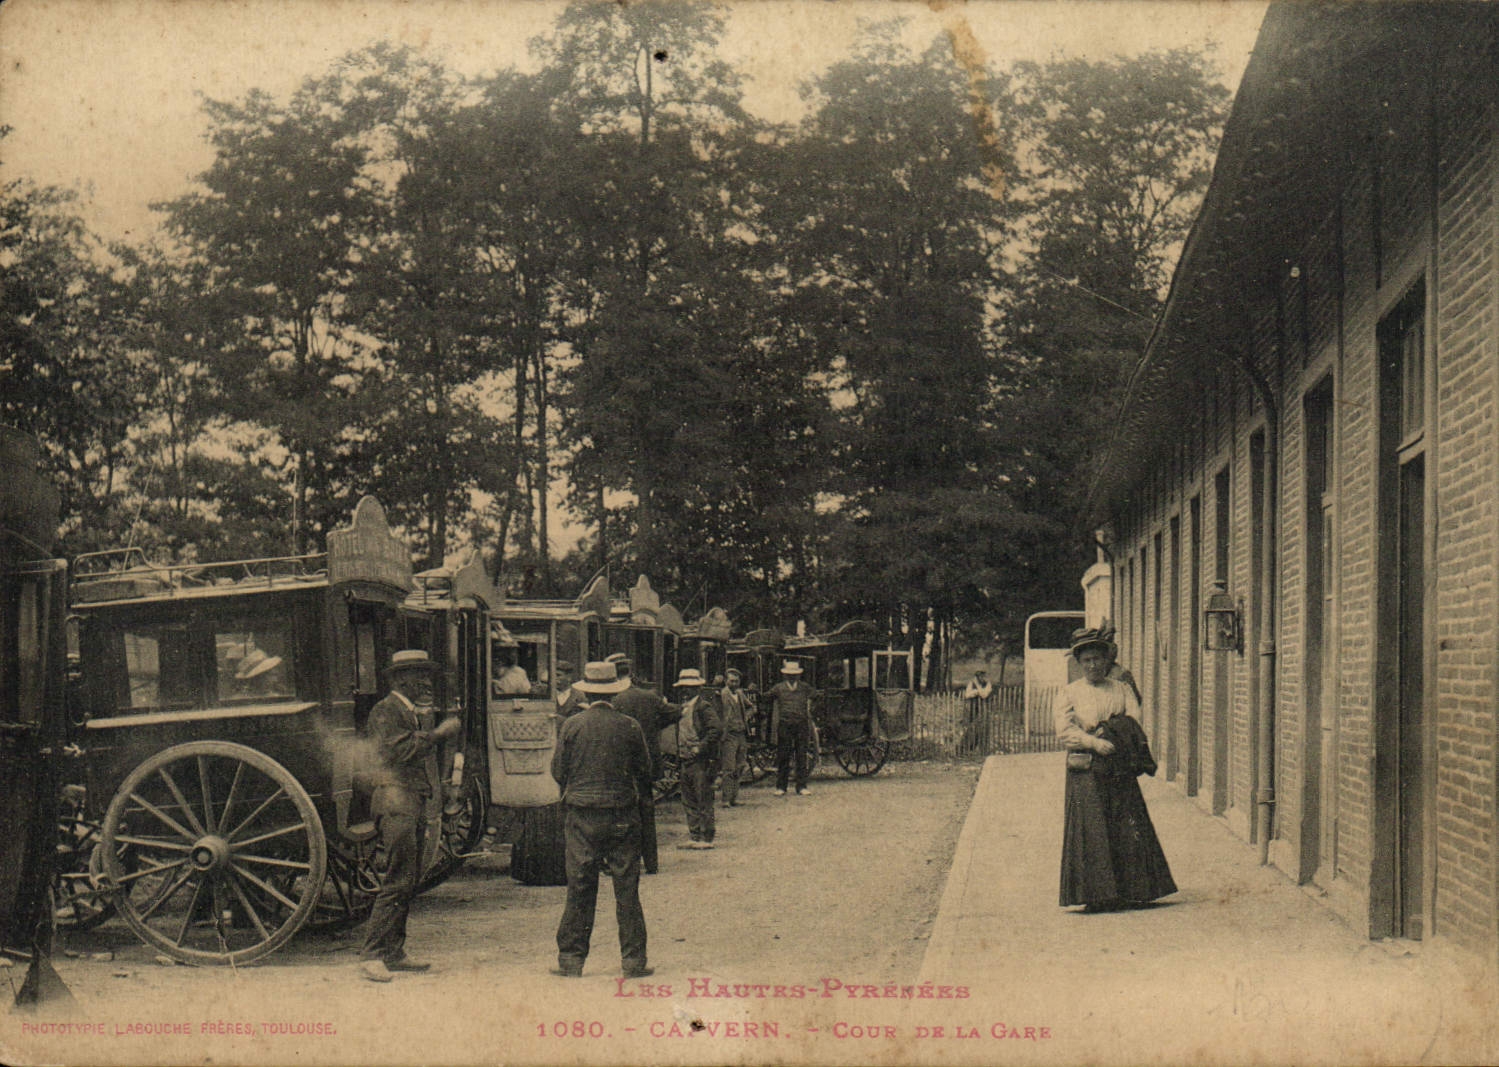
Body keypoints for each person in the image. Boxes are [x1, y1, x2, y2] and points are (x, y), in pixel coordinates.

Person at [1056, 627, 1176, 912]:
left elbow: (1134, 718)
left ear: (1107, 661)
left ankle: (1131, 891)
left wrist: (1112, 734)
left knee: (1125, 824)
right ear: (1079, 663)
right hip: (1086, 768)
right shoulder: (1070, 692)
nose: (1093, 665)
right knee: (1092, 828)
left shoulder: (1120, 689)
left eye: (1098, 659)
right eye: (1087, 661)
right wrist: (1092, 743)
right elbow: (1063, 729)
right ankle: (1097, 896)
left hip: (1118, 764)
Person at [360, 649, 461, 981]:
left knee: (408, 880)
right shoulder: (385, 711)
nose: (427, 682)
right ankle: (372, 955)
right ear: (401, 680)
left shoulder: (409, 712)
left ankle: (394, 951)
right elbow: (398, 751)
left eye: (428, 675)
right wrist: (439, 734)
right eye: (421, 676)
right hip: (395, 800)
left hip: (409, 799)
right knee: (397, 878)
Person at [549, 661, 653, 979]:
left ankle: (571, 959)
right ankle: (633, 961)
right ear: (614, 691)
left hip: (582, 814)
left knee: (580, 884)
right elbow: (646, 771)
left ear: (587, 690)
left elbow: (558, 771)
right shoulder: (630, 725)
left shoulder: (572, 725)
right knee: (626, 887)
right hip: (622, 814)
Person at [609, 656, 680, 874]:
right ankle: (651, 862)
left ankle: (622, 862)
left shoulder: (610, 699)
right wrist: (655, 726)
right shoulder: (648, 697)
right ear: (630, 673)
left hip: (616, 766)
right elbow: (676, 712)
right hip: (645, 764)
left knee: (618, 814)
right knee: (646, 811)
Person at [672, 669, 722, 848]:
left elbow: (716, 729)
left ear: (698, 688)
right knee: (688, 799)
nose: (685, 691)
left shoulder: (703, 707)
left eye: (690, 687)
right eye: (683, 687)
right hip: (685, 758)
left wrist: (700, 747)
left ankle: (706, 836)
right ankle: (694, 835)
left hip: (700, 760)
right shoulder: (683, 707)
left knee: (703, 798)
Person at [767, 660, 817, 797]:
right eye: (789, 674)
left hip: (801, 724)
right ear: (785, 675)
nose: (792, 677)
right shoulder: (779, 688)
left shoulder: (805, 687)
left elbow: (816, 696)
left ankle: (801, 786)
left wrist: (810, 709)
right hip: (785, 724)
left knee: (801, 755)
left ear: (799, 675)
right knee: (784, 755)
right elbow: (767, 697)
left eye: (794, 674)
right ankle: (781, 787)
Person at [717, 669, 752, 807]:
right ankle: (725, 799)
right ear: (726, 681)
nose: (734, 683)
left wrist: (746, 718)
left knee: (740, 766)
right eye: (732, 681)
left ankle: (734, 798)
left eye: (737, 681)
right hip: (729, 734)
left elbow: (751, 707)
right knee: (729, 768)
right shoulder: (721, 695)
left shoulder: (740, 693)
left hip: (741, 733)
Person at [960, 669, 993, 754]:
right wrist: (976, 692)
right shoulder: (971, 683)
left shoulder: (988, 684)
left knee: (982, 727)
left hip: (984, 709)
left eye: (983, 676)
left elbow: (984, 695)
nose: (981, 678)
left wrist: (977, 689)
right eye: (979, 676)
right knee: (971, 727)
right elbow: (967, 694)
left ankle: (982, 749)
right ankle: (968, 748)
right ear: (976, 677)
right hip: (973, 708)